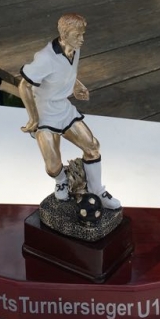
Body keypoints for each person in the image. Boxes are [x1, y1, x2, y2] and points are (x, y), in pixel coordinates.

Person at [19, 13, 120, 210]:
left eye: (83, 34)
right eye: (77, 35)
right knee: (52, 167)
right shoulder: (45, 58)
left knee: (92, 147)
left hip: (64, 109)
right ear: (64, 35)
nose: (82, 39)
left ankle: (97, 191)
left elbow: (66, 72)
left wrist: (76, 85)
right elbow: (24, 85)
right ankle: (61, 180)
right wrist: (33, 118)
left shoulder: (74, 49)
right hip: (45, 114)